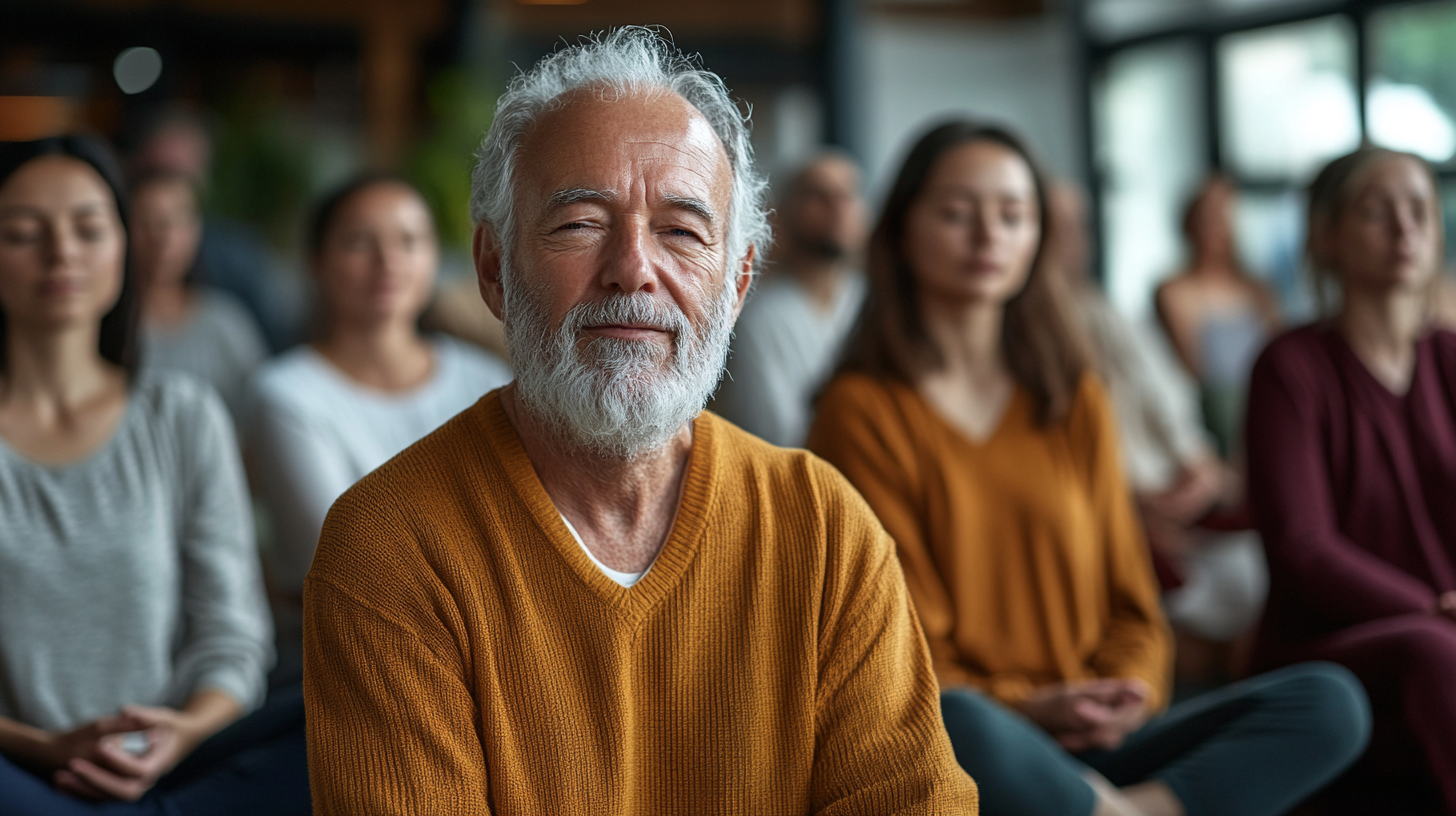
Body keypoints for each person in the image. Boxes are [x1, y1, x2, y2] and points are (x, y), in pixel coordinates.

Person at [302, 28, 977, 814]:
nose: (633, 268)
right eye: (581, 223)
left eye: (683, 232)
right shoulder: (389, 543)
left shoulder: (825, 527)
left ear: (739, 281)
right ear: (493, 268)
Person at [807, 121, 1369, 816]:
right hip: (980, 738)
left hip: (1097, 738)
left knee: (1330, 701)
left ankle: (1120, 810)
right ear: (901, 231)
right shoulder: (861, 410)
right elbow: (899, 645)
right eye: (957, 213)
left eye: (1014, 215)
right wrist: (1032, 706)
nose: (989, 236)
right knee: (954, 718)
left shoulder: (1073, 400)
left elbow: (1134, 604)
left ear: (1038, 236)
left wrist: (1126, 692)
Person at [0, 136, 307, 815]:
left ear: (122, 245)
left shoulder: (182, 415)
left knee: (338, 720)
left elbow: (231, 631)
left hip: (182, 765)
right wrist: (41, 747)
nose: (62, 254)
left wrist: (183, 730)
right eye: (24, 232)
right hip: (16, 773)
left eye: (88, 228)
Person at [1245, 147, 1456, 814]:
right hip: (1334, 644)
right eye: (1377, 211)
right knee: (1432, 648)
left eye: (1420, 209)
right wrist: (1433, 606)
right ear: (1325, 234)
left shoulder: (1451, 357)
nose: (1406, 229)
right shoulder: (1290, 366)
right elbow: (1303, 547)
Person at [249, 175, 511, 681]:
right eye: (358, 242)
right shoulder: (286, 394)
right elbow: (339, 561)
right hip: (348, 663)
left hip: (490, 654)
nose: (388, 261)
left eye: (409, 241)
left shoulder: (487, 380)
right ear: (316, 262)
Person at [1046, 184, 1265, 659]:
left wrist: (1201, 464)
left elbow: (1170, 395)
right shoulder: (1033, 331)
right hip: (1129, 495)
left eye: (1077, 225)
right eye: (1057, 225)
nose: (1073, 238)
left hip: (1179, 477)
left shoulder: (1104, 306)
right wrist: (1129, 501)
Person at [712, 150, 867, 446]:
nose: (838, 207)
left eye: (849, 195)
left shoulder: (874, 305)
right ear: (781, 213)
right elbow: (774, 435)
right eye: (819, 195)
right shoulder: (761, 318)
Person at [1155, 176, 1281, 455]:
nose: (1216, 227)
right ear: (1189, 223)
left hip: (1269, 406)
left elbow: (1280, 356)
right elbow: (1193, 374)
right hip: (1214, 420)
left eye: (1224, 215)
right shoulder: (1174, 291)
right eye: (1207, 217)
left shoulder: (1258, 290)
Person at [131, 168, 267, 427]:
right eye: (146, 221)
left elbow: (255, 422)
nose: (164, 237)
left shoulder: (225, 323)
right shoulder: (102, 326)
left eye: (178, 220)